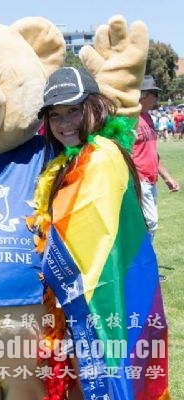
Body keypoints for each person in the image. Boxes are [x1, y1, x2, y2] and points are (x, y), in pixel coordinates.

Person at [32, 67, 168, 399]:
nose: (64, 123)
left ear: (94, 107)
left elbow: (89, 237)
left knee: (111, 379)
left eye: (73, 110)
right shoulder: (67, 160)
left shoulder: (101, 156)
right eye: (55, 115)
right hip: (81, 302)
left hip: (103, 298)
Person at [134, 75, 180, 241]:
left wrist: (167, 178)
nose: (157, 99)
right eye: (155, 94)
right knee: (150, 222)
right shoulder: (130, 119)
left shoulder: (148, 118)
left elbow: (153, 153)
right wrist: (135, 178)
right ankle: (143, 254)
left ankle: (143, 254)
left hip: (150, 180)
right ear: (143, 95)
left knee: (147, 223)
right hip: (139, 179)